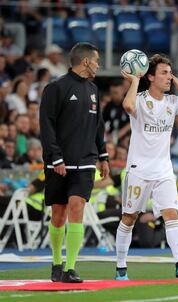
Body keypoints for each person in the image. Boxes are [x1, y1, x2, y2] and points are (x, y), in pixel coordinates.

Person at [115, 53, 178, 280]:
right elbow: (127, 105)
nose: (169, 77)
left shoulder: (172, 102)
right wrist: (134, 81)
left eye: (170, 73)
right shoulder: (140, 99)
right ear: (151, 77)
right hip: (138, 169)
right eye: (164, 73)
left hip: (164, 170)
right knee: (129, 217)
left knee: (171, 213)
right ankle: (120, 268)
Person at [39, 42, 109, 283]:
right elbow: (46, 125)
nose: (99, 65)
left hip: (86, 160)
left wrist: (103, 155)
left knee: (77, 206)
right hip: (58, 162)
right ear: (86, 61)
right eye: (97, 60)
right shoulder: (55, 88)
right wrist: (55, 156)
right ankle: (56, 262)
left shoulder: (93, 89)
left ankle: (70, 268)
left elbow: (98, 125)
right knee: (58, 214)